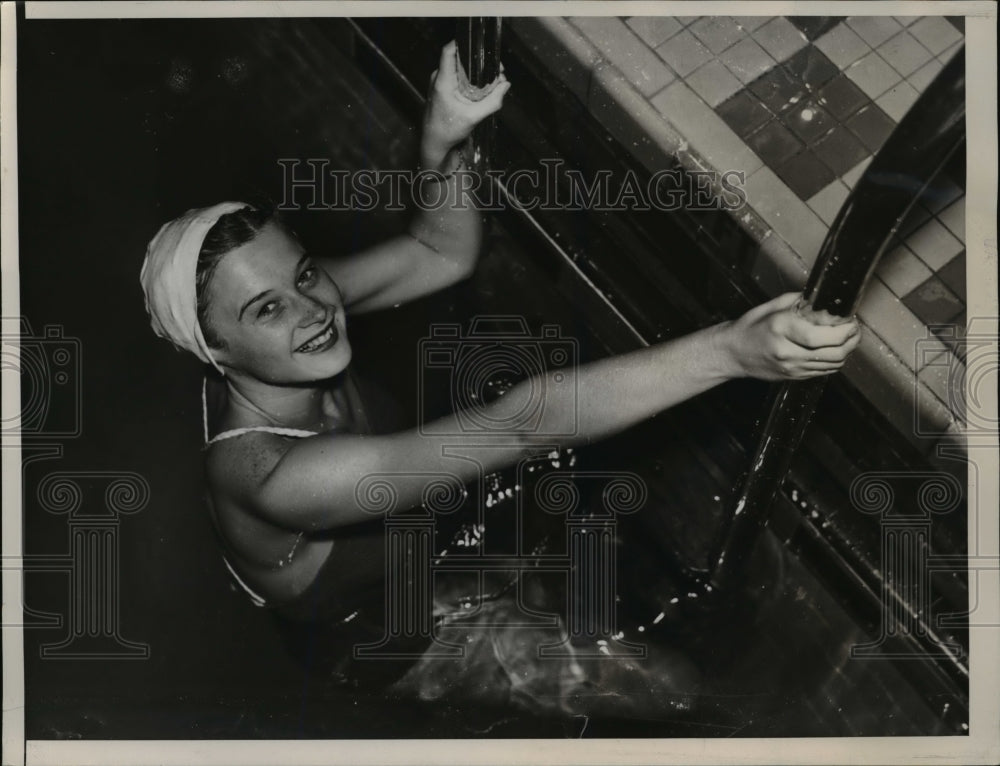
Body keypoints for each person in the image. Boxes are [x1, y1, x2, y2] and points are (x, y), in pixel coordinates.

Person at [141, 40, 860, 697]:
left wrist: (441, 140)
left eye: (303, 275)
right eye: (266, 309)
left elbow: (438, 254)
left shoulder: (291, 324)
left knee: (550, 559)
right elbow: (522, 426)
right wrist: (729, 351)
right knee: (673, 687)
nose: (312, 308)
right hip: (378, 633)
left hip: (417, 545)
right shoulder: (279, 479)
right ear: (216, 353)